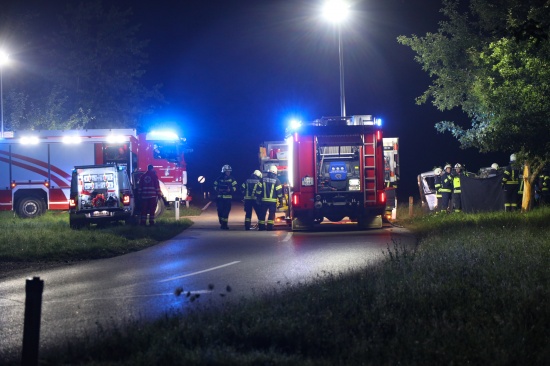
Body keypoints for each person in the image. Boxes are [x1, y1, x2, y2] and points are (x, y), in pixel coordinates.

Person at [256, 165, 283, 231]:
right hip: (272, 201)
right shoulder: (277, 181)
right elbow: (279, 193)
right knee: (271, 214)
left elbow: (258, 190)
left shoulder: (262, 179)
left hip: (263, 200)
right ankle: (269, 227)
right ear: (275, 172)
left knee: (262, 214)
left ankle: (261, 227)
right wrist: (281, 202)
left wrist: (258, 199)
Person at [213, 164, 237, 229]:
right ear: (223, 172)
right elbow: (214, 186)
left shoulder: (232, 179)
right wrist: (218, 189)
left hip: (228, 199)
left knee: (226, 212)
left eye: (229, 171)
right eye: (227, 171)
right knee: (220, 211)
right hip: (220, 198)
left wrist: (230, 190)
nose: (228, 173)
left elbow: (235, 187)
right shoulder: (219, 179)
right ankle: (221, 221)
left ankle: (224, 225)